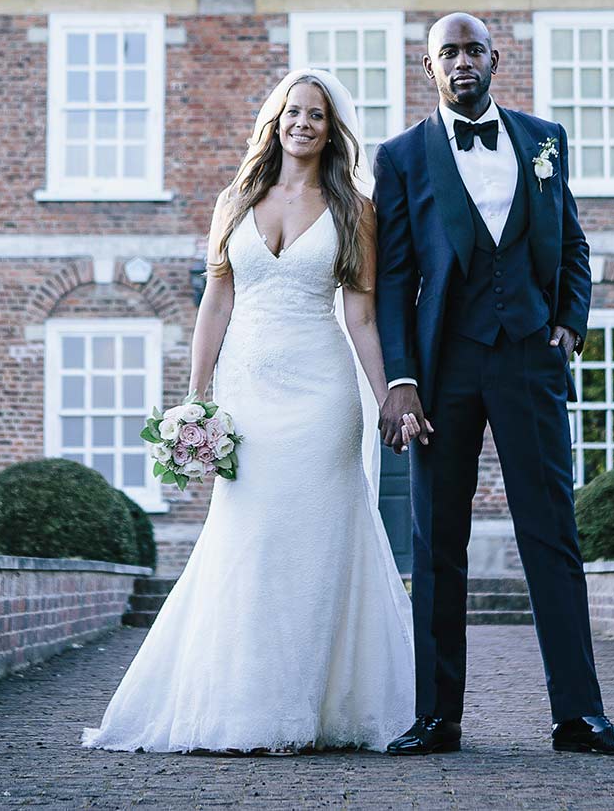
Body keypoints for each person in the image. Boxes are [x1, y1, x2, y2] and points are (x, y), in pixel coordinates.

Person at [82, 69, 417, 753]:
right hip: (246, 394)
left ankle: (313, 705)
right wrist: (197, 393)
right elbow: (216, 300)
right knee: (250, 541)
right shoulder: (234, 199)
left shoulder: (355, 207)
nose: (302, 123)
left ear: (332, 129)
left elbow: (360, 316)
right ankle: (242, 702)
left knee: (318, 543)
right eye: (292, 111)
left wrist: (386, 391)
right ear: (275, 120)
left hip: (322, 393)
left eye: (317, 115)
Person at [372, 13, 614, 757]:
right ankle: (437, 715)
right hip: (444, 368)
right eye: (447, 53)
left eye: (473, 50)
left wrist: (571, 318)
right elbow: (396, 276)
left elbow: (572, 237)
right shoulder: (400, 156)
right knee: (437, 541)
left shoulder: (545, 139)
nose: (461, 62)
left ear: (496, 57)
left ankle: (580, 715)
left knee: (552, 534)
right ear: (426, 67)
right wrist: (401, 378)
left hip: (530, 357)